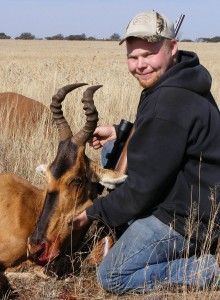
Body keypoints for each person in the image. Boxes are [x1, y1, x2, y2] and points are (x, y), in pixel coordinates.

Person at [69, 10, 220, 293]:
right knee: (114, 150)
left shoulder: (169, 101)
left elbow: (142, 189)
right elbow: (166, 136)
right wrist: (120, 132)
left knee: (111, 276)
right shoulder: (181, 79)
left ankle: (207, 269)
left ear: (172, 48)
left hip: (187, 217)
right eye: (133, 56)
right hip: (190, 190)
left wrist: (94, 212)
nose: (140, 65)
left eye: (149, 55)